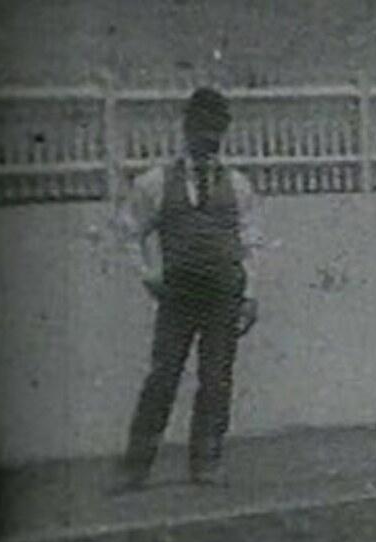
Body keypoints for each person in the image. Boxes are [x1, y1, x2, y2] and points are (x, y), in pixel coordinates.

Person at [112, 87, 265, 488]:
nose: (208, 136)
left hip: (223, 296)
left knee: (216, 379)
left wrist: (250, 295)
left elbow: (250, 243)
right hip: (178, 296)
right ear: (187, 127)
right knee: (163, 377)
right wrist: (148, 275)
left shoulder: (238, 185)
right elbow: (129, 232)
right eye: (201, 126)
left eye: (216, 127)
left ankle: (206, 462)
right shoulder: (155, 183)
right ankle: (136, 466)